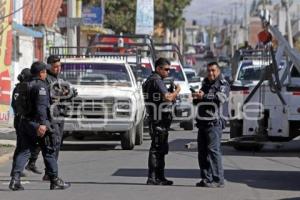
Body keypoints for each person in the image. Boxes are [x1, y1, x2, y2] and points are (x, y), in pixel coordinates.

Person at [9, 61, 70, 191]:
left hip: (25, 122)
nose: (46, 73)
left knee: (24, 151)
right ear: (41, 73)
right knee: (49, 151)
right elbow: (41, 108)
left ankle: (15, 179)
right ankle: (54, 180)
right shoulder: (41, 87)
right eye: (45, 71)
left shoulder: (24, 85)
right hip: (38, 124)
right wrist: (42, 124)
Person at [143, 57, 181, 185]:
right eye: (166, 69)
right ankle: (153, 177)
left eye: (169, 70)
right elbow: (168, 97)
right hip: (158, 119)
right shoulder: (157, 80)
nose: (168, 72)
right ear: (158, 68)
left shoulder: (150, 80)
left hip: (156, 118)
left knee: (161, 148)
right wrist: (177, 91)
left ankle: (159, 177)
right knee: (157, 148)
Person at [192, 61, 229, 188]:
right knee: (202, 153)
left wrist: (204, 96)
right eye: (209, 71)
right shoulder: (205, 83)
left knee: (214, 151)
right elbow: (199, 99)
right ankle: (206, 179)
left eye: (213, 70)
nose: (211, 73)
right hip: (202, 122)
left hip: (214, 123)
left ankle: (218, 179)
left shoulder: (222, 84)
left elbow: (220, 98)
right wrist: (196, 97)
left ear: (218, 71)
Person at [11, 68, 42, 176]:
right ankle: (17, 169)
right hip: (23, 120)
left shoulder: (20, 88)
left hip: (20, 119)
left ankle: (25, 165)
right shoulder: (24, 89)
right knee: (23, 146)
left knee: (25, 145)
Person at [41, 55, 65, 181]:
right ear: (49, 66)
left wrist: (68, 95)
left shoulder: (58, 78)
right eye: (55, 67)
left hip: (59, 114)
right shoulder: (46, 79)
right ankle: (51, 173)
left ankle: (49, 172)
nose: (58, 69)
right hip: (51, 116)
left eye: (59, 66)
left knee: (57, 144)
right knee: (52, 145)